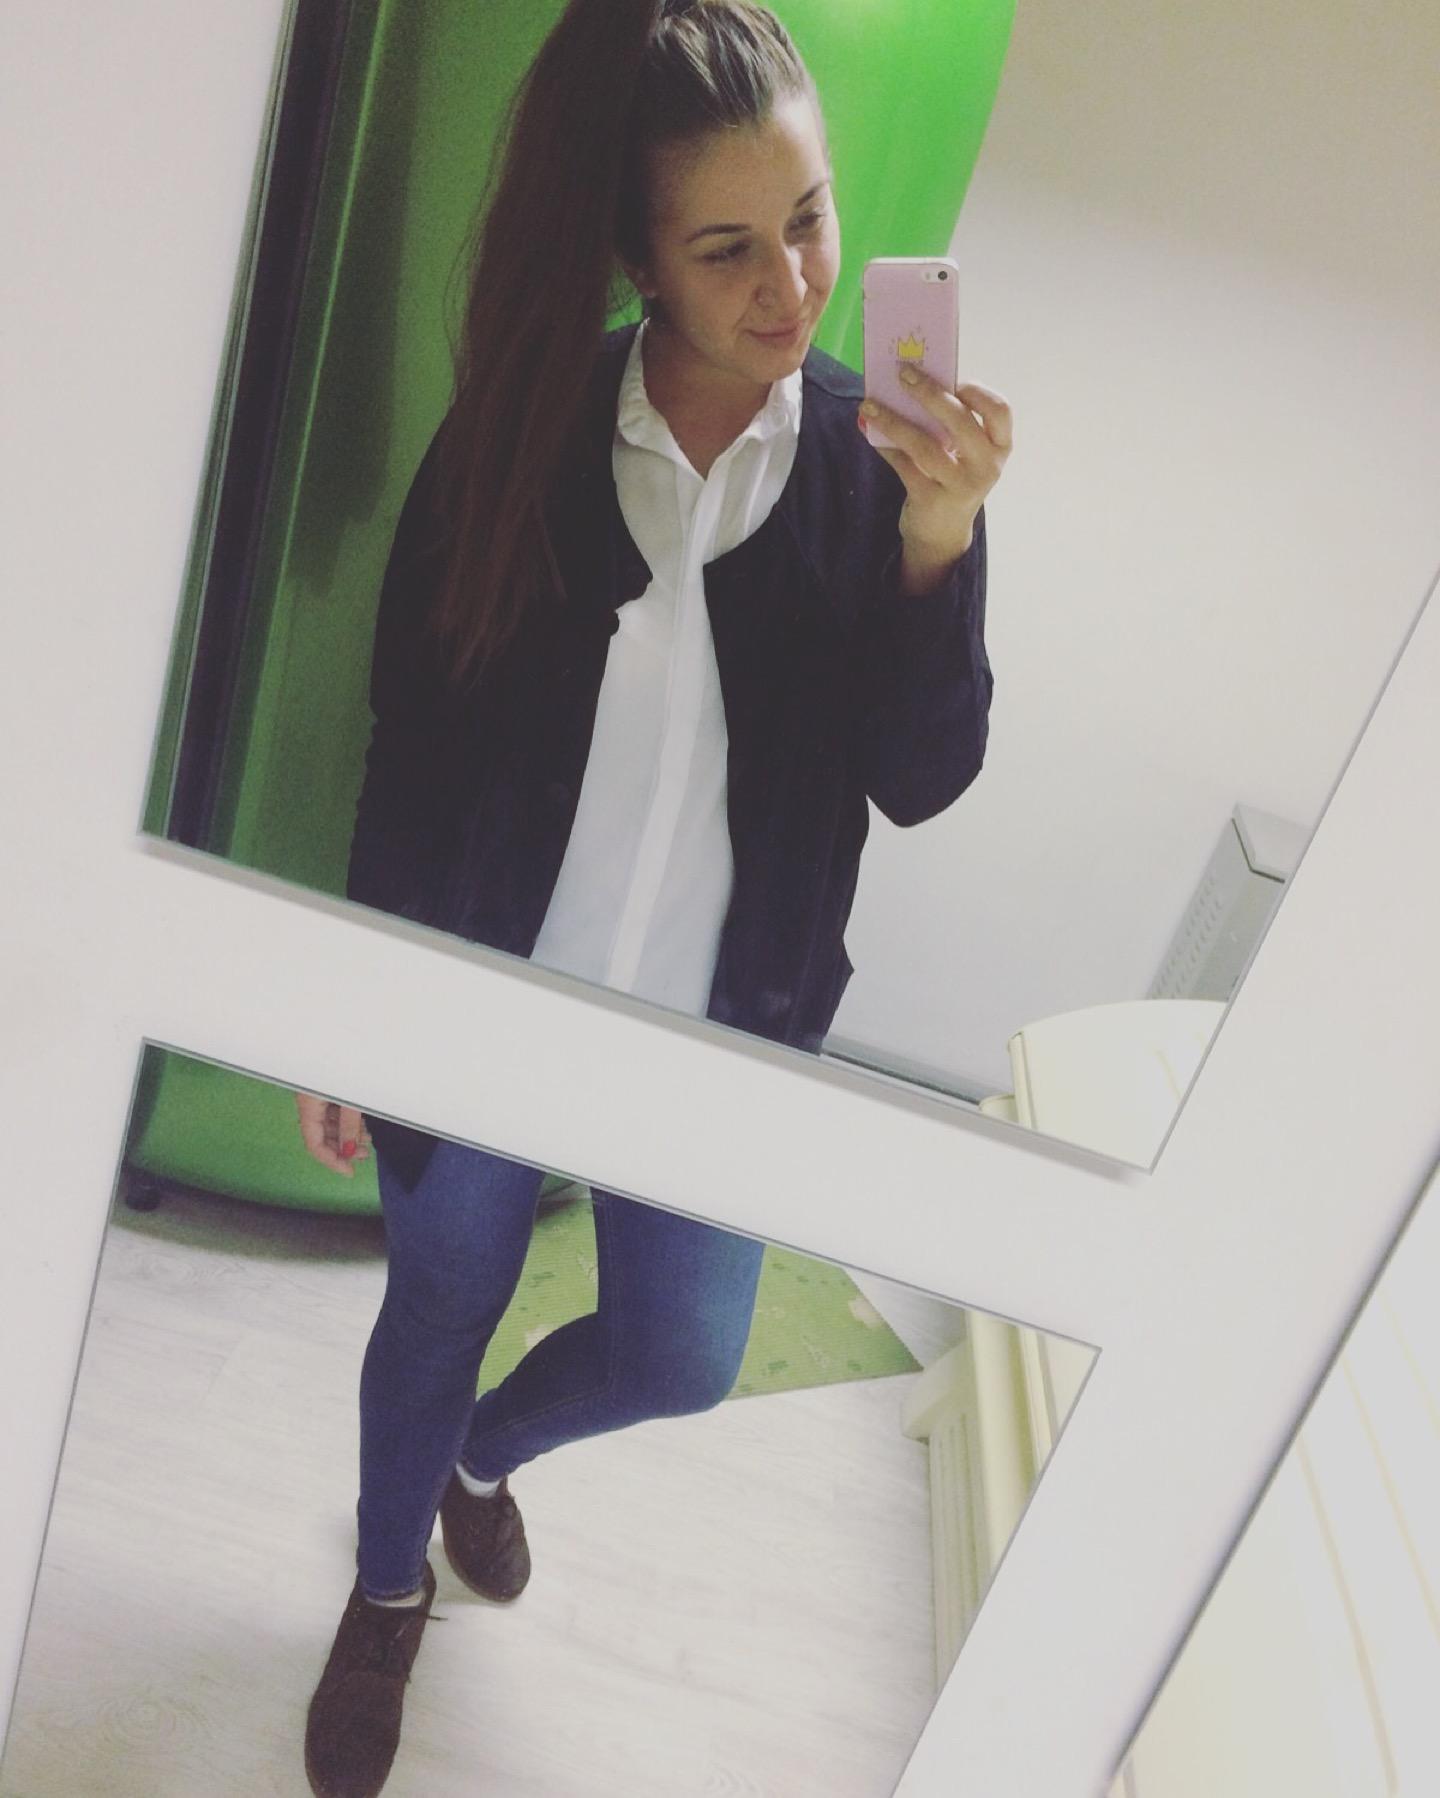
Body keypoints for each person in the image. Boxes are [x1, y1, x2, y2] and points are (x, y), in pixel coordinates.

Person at [296, 1, 1009, 1792]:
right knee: (433, 1304)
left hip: (719, 1031)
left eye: (811, 220)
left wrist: (940, 545)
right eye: (729, 247)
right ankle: (384, 1588)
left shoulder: (878, 466)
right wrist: (349, 1007)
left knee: (686, 1353)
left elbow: (922, 777)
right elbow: (416, 736)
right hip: (487, 995)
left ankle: (477, 1459)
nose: (795, 285)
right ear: (637, 257)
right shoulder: (525, 428)